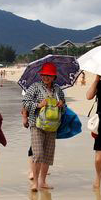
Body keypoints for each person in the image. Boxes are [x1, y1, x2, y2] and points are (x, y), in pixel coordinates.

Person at [22, 62, 65, 192]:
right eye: (44, 75)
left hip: (53, 126)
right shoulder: (35, 87)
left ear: (54, 77)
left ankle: (43, 181)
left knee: (48, 155)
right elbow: (25, 102)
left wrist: (61, 105)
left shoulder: (58, 90)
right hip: (36, 124)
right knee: (38, 153)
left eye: (49, 75)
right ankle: (35, 182)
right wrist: (38, 105)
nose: (46, 77)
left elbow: (64, 108)